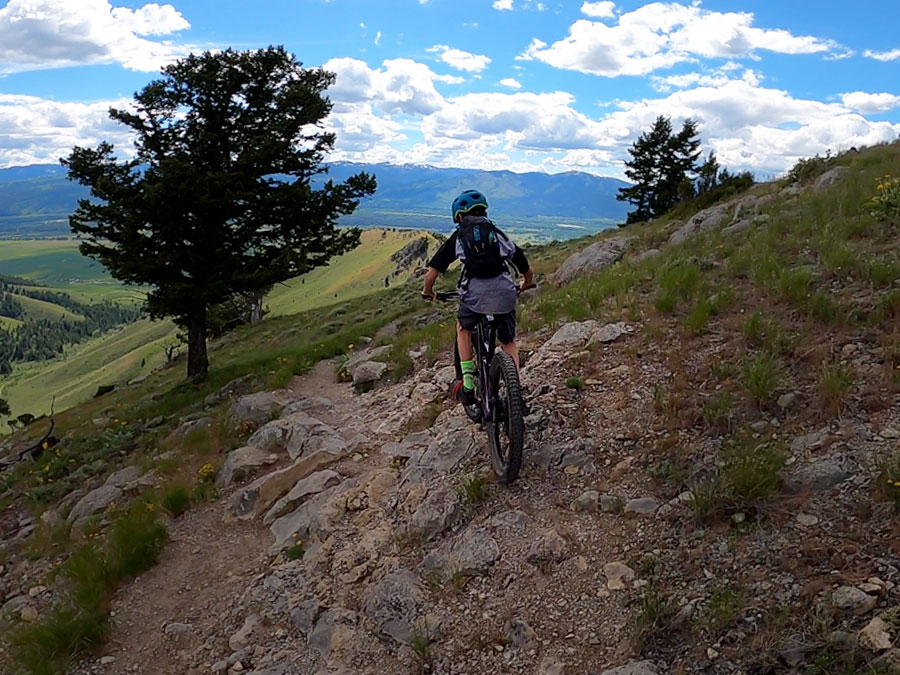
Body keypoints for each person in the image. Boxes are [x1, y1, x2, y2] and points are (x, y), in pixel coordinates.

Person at [422, 189, 533, 415]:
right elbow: (525, 268)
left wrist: (429, 292)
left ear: (459, 217)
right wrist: (524, 284)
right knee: (508, 341)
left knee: (463, 328)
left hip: (473, 298)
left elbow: (431, 275)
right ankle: (516, 395)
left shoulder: (459, 238)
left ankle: (469, 386)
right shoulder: (497, 234)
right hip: (504, 294)